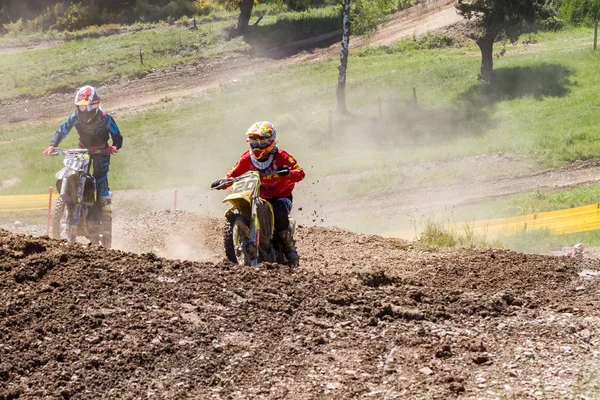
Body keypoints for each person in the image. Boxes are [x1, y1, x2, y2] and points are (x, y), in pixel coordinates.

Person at [212, 121, 305, 263]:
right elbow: (233, 174)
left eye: (262, 141)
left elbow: (300, 172)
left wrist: (288, 173)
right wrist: (222, 182)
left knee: (279, 211)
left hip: (280, 196)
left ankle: (289, 248)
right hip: (256, 196)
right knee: (244, 209)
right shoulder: (247, 158)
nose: (257, 145)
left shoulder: (281, 156)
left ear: (271, 141)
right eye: (254, 141)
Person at [42, 85, 123, 240]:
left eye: (86, 107)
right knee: (75, 172)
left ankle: (106, 218)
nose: (83, 111)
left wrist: (114, 147)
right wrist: (53, 145)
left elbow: (117, 137)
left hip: (101, 151)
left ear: (95, 105)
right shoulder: (75, 116)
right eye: (81, 107)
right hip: (82, 150)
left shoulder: (106, 118)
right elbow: (62, 130)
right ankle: (74, 203)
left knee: (100, 178)